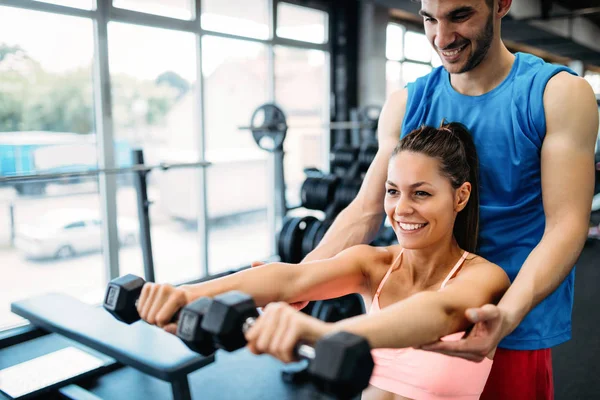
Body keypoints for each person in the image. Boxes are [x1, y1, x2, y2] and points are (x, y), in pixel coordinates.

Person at [296, 0, 598, 398]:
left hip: (508, 321)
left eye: (460, 15)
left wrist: (504, 317)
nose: (442, 37)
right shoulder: (406, 103)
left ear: (501, 5)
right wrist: (299, 282)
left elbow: (566, 226)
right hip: (421, 319)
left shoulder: (557, 95)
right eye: (429, 19)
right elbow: (366, 210)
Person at [137, 123, 511, 399]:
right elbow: (289, 280)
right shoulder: (374, 265)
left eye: (422, 193)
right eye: (393, 191)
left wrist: (325, 335)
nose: (402, 209)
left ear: (460, 197)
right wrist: (185, 294)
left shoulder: (485, 278)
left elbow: (440, 312)